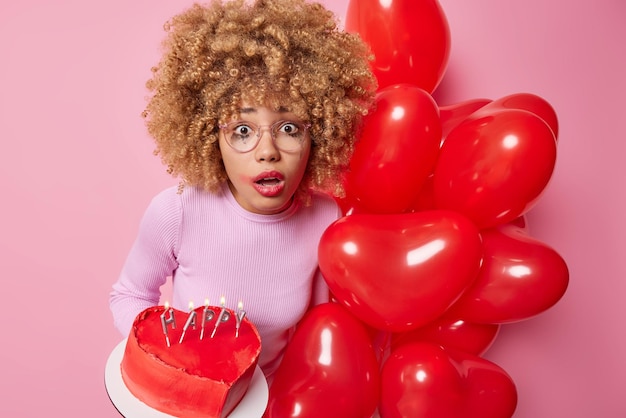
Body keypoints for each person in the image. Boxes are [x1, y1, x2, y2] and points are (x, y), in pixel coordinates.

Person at [109, 0, 376, 381]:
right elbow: (129, 296)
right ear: (209, 136)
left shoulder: (325, 218)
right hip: (188, 396)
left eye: (288, 128)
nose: (267, 152)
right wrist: (165, 359)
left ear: (318, 132)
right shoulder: (177, 212)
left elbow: (318, 333)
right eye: (242, 130)